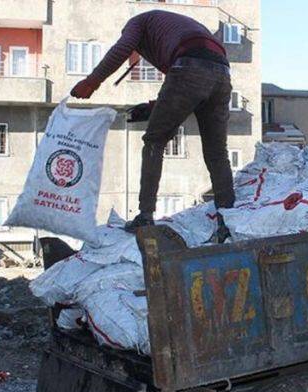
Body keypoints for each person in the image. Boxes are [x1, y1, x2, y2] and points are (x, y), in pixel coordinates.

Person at [71, 10, 234, 241]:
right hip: (222, 73)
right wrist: (153, 108)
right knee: (217, 152)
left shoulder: (137, 22)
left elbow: (121, 50)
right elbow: (187, 91)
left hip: (189, 65)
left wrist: (92, 81)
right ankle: (227, 219)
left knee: (154, 142)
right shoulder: (176, 27)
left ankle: (145, 215)